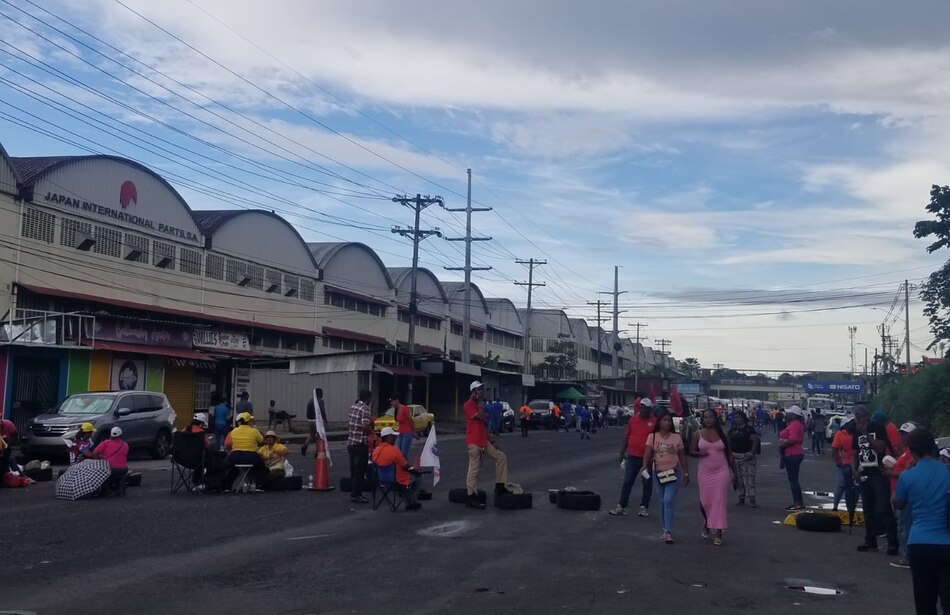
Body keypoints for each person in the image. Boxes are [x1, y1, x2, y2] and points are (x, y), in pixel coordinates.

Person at [893, 428, 950, 615]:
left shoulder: (908, 476)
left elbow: (898, 503)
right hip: (946, 544)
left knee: (925, 602)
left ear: (912, 450)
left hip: (919, 543)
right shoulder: (947, 472)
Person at [852, 405, 900, 555]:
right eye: (857, 417)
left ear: (867, 416)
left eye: (862, 417)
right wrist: (854, 471)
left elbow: (879, 448)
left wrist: (865, 433)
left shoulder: (877, 428)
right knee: (868, 509)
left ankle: (892, 542)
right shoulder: (856, 431)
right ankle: (870, 541)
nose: (860, 420)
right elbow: (855, 452)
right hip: (864, 473)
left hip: (878, 473)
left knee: (884, 507)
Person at [691, 409, 737, 546]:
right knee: (705, 502)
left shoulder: (723, 434)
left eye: (710, 417)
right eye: (705, 417)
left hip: (721, 471)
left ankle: (718, 533)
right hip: (705, 472)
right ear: (702, 419)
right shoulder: (697, 434)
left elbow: (729, 455)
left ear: (715, 419)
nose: (708, 420)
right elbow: (691, 451)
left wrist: (735, 474)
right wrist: (700, 454)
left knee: (719, 501)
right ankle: (707, 521)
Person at [642, 411, 689, 543]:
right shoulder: (652, 436)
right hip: (658, 472)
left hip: (673, 472)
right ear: (659, 422)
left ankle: (668, 531)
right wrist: (644, 465)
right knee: (663, 501)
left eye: (669, 420)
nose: (667, 423)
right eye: (664, 420)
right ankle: (664, 529)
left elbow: (682, 456)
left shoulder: (676, 437)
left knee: (668, 500)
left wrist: (686, 472)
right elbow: (647, 452)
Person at [464, 381, 510, 509]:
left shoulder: (481, 405)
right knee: (474, 468)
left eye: (481, 389)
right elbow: (480, 417)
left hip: (484, 440)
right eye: (478, 389)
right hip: (473, 442)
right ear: (473, 392)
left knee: (501, 457)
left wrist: (493, 441)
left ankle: (500, 486)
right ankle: (471, 496)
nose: (481, 391)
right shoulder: (468, 405)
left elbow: (483, 426)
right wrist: (479, 404)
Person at [609, 399, 656, 517]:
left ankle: (644, 507)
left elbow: (658, 440)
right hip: (632, 457)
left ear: (650, 409)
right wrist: (621, 452)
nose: (642, 409)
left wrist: (655, 456)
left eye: (645, 407)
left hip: (647, 459)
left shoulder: (655, 422)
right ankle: (621, 506)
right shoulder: (633, 420)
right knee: (628, 481)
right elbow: (626, 436)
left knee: (647, 483)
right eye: (641, 407)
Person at [889, 422, 919, 569]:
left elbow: (909, 473)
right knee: (903, 525)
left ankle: (907, 557)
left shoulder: (913, 453)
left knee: (904, 526)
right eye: (901, 433)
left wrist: (891, 473)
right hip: (899, 491)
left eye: (905, 434)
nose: (902, 436)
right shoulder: (907, 451)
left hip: (905, 495)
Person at [372, 427, 422, 510]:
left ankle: (408, 499)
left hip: (380, 480)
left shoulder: (376, 451)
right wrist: (414, 469)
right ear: (389, 437)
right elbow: (405, 466)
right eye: (393, 437)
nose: (395, 439)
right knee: (418, 477)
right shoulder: (394, 451)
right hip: (396, 480)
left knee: (401, 477)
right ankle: (411, 502)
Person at [224, 412, 267, 491]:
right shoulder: (254, 431)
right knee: (261, 467)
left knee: (231, 468)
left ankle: (227, 486)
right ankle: (258, 485)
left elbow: (228, 444)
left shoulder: (234, 431)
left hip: (235, 456)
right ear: (249, 421)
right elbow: (262, 440)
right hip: (251, 455)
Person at [347, 389, 373, 504]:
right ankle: (356, 494)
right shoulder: (365, 409)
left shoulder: (353, 407)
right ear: (368, 399)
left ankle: (354, 492)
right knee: (360, 470)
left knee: (353, 470)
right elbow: (364, 426)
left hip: (351, 442)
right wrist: (372, 433)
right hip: (360, 443)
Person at [729, 411, 760, 507]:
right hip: (735, 456)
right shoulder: (733, 429)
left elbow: (755, 441)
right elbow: (728, 439)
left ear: (743, 418)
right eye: (735, 418)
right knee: (738, 478)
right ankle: (741, 497)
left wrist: (751, 452)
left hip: (747, 456)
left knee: (749, 478)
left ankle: (752, 498)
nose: (736, 419)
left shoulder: (749, 429)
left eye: (737, 417)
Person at [779, 405, 806, 511]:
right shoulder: (795, 424)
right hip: (792, 454)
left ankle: (798, 503)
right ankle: (798, 502)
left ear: (794, 415)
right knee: (793, 480)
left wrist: (781, 445)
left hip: (792, 454)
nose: (787, 414)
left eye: (789, 413)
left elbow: (793, 439)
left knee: (793, 480)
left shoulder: (795, 424)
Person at [92, 426, 129, 494]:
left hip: (110, 469)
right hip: (124, 469)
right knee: (117, 473)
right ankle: (119, 488)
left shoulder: (105, 443)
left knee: (103, 472)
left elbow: (94, 453)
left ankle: (107, 491)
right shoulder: (125, 444)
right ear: (121, 435)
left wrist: (99, 458)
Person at [831, 418, 857, 513]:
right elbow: (835, 448)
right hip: (843, 463)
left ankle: (850, 509)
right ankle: (835, 506)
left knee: (852, 487)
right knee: (841, 485)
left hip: (852, 463)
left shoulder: (854, 435)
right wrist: (837, 460)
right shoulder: (840, 434)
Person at [302, 388, 328, 457]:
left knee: (311, 435)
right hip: (317, 420)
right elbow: (322, 411)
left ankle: (304, 446)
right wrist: (325, 420)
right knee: (319, 436)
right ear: (320, 394)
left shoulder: (310, 400)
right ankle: (317, 452)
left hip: (310, 420)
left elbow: (307, 411)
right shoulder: (320, 401)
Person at [391, 394, 415, 461]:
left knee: (404, 453)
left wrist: (414, 431)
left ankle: (407, 466)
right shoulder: (396, 410)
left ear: (397, 400)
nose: (391, 403)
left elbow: (411, 420)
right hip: (400, 433)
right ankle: (402, 466)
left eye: (392, 401)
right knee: (397, 451)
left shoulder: (404, 408)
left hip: (407, 433)